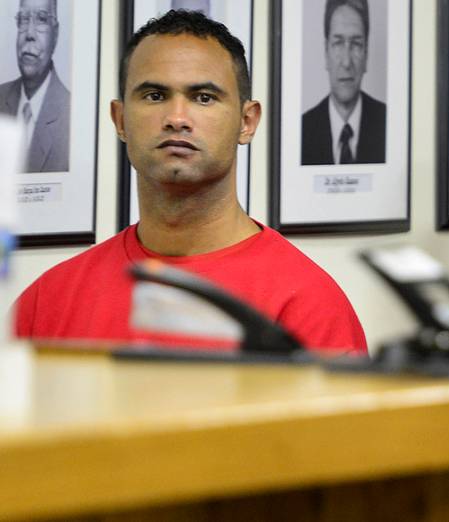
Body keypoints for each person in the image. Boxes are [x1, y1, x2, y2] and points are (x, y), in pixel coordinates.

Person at [14, 10, 367, 352]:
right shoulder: (47, 301)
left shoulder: (307, 305)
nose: (177, 118)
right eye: (155, 96)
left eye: (203, 98)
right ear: (120, 120)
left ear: (247, 121)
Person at [301, 0, 385, 165]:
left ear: (366, 54)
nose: (346, 62)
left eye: (356, 44)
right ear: (326, 52)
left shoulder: (388, 124)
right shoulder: (303, 130)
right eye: (338, 43)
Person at [0, 0, 70, 173]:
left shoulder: (72, 114)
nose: (29, 34)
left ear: (56, 34)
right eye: (23, 19)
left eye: (41, 19)